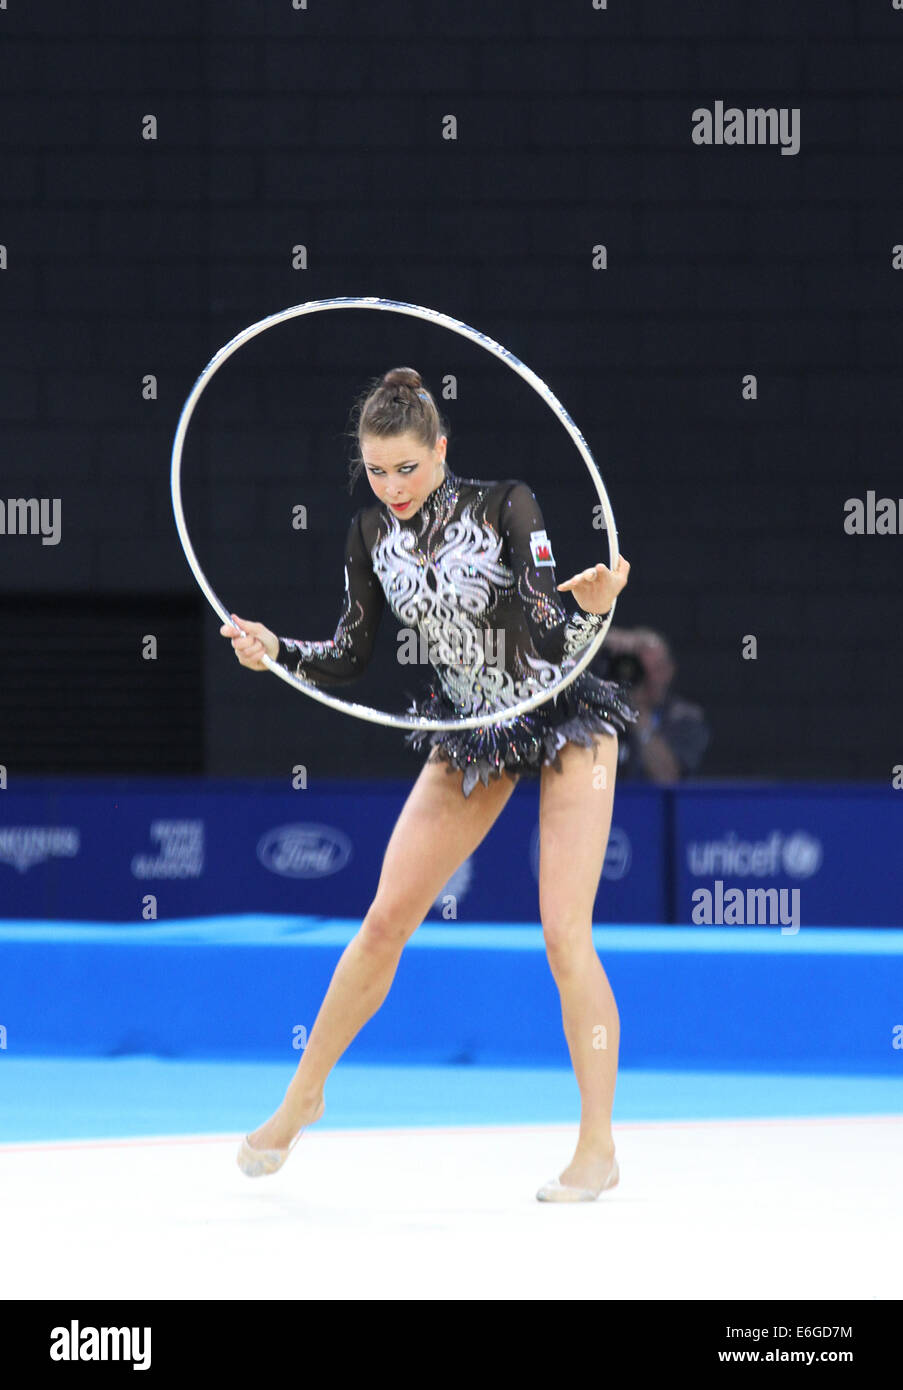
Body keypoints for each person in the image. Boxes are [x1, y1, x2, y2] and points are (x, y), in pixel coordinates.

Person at [220, 366, 638, 1201]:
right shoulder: (368, 535)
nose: (393, 486)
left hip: (563, 720)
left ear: (440, 449)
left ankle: (597, 1148)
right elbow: (349, 654)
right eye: (376, 470)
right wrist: (277, 652)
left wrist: (595, 605)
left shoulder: (506, 506)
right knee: (382, 923)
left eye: (407, 467)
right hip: (469, 731)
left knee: (563, 934)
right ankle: (305, 1094)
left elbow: (551, 632)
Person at [598, 627, 710, 782]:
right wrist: (598, 640)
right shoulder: (596, 710)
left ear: (669, 670)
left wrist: (637, 712)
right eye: (640, 670)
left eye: (655, 669)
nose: (647, 679)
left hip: (652, 804)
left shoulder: (684, 718)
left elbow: (668, 778)